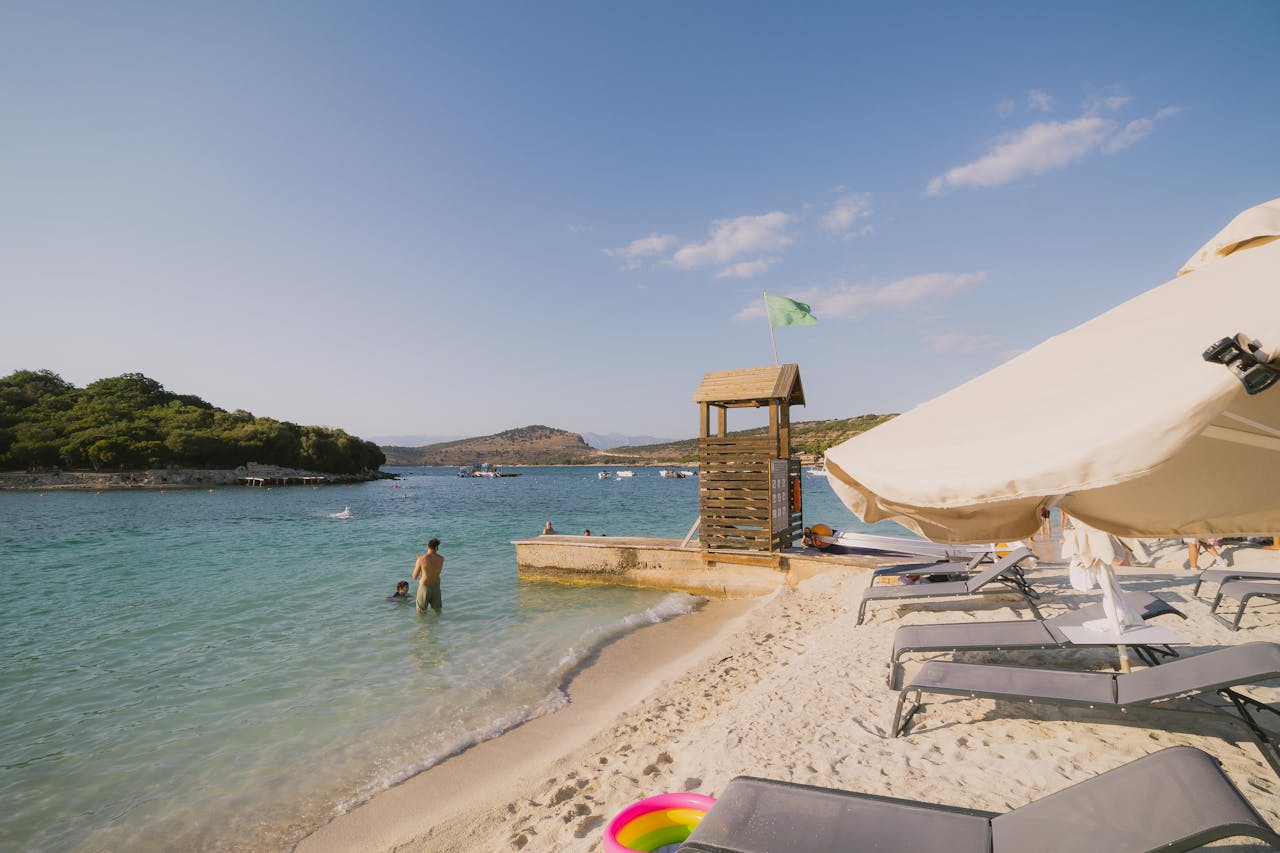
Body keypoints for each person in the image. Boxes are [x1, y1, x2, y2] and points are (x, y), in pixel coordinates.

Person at [413, 537, 445, 612]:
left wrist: (418, 561)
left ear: (427, 546)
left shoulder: (421, 559)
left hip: (425, 587)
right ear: (437, 547)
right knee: (437, 611)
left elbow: (414, 577)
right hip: (436, 587)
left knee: (421, 612)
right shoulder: (441, 559)